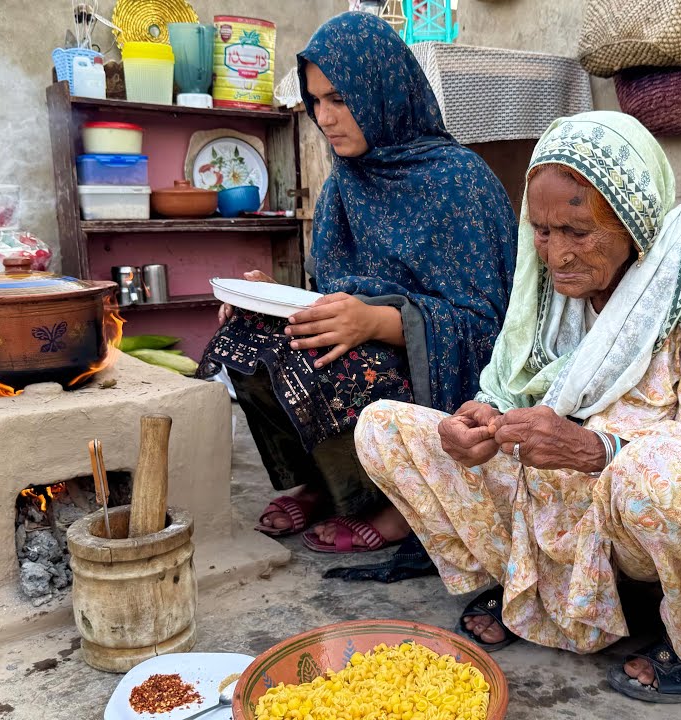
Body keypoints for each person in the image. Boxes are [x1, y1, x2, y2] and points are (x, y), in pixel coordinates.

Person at [355, 111, 681, 702]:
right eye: (543, 231)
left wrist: (598, 450)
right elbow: (508, 385)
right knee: (384, 427)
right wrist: (478, 418)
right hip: (552, 498)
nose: (557, 254)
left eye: (579, 231)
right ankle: (532, 586)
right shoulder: (549, 293)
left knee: (651, 477)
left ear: (633, 223)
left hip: (633, 506)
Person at [199, 12, 516, 554]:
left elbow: (495, 329)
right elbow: (330, 288)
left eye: (340, 99)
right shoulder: (347, 182)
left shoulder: (459, 181)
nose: (325, 118)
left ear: (384, 91)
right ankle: (329, 486)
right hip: (362, 336)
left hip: (426, 365)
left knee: (334, 363)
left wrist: (377, 321)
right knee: (245, 339)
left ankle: (396, 505)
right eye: (315, 101)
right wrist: (263, 296)